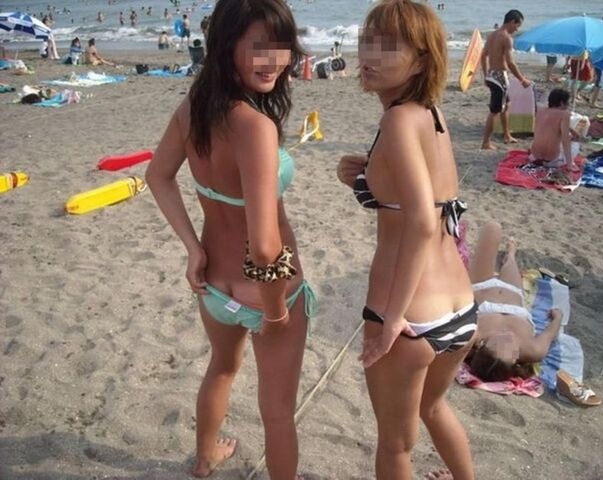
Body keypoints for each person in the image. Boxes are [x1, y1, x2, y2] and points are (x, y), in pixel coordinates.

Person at [145, 0, 312, 478]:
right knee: (277, 413)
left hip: (215, 285)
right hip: (269, 291)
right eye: (259, 46)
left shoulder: (194, 108)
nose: (274, 60)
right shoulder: (255, 127)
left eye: (282, 46)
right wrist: (275, 310)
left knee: (222, 366)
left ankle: (205, 457)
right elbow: (265, 246)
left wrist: (193, 248)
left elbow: (158, 176)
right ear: (226, 45)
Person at [337, 1, 477, 478]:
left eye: (387, 45)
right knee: (433, 409)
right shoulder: (431, 114)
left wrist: (394, 317)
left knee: (395, 447)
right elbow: (430, 196)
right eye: (366, 42)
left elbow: (419, 221)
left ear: (421, 60)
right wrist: (364, 175)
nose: (368, 55)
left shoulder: (396, 121)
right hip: (459, 306)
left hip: (410, 314)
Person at [465, 221, 562, 382]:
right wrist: (557, 317)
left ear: (483, 346)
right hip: (513, 292)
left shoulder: (475, 338)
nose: (507, 337)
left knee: (493, 228)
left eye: (496, 343)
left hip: (481, 285)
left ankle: (506, 253)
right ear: (516, 359)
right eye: (510, 348)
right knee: (510, 263)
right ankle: (511, 253)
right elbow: (550, 334)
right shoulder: (533, 350)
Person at [480, 9, 531, 150]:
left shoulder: (492, 35)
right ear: (512, 22)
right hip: (499, 78)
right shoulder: (507, 38)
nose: (517, 29)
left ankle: (507, 135)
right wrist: (522, 79)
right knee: (495, 111)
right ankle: (486, 142)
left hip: (492, 75)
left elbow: (483, 56)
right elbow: (510, 63)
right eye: (517, 26)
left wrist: (486, 74)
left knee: (506, 105)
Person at [529, 88, 580, 171]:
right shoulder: (564, 114)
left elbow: (549, 126)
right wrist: (569, 164)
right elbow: (565, 140)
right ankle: (568, 162)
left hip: (534, 157)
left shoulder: (540, 110)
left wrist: (570, 129)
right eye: (567, 102)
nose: (568, 105)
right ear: (562, 102)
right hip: (552, 161)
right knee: (575, 143)